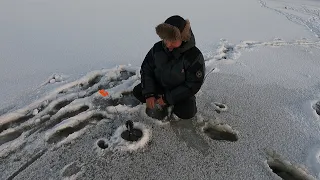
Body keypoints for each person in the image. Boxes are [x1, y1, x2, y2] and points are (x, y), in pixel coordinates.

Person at [133, 15, 205, 120]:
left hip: (180, 91)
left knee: (187, 112)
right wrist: (149, 93)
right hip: (160, 85)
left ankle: (172, 104)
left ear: (183, 38)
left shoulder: (193, 55)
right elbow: (146, 69)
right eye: (166, 40)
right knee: (138, 92)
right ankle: (158, 97)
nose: (168, 45)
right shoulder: (157, 49)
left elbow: (193, 84)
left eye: (173, 41)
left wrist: (168, 98)